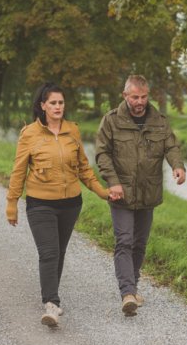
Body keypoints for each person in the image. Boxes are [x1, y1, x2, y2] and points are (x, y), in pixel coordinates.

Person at [6, 82, 111, 327]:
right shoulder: (30, 133)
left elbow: (84, 168)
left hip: (71, 204)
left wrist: (100, 191)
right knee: (49, 252)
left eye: (61, 103)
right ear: (42, 106)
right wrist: (11, 202)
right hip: (40, 203)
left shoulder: (72, 130)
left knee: (59, 252)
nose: (57, 107)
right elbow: (18, 170)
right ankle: (51, 304)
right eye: (52, 103)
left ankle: (52, 296)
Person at [95, 75, 185, 316]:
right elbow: (102, 154)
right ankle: (127, 293)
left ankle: (132, 287)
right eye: (135, 96)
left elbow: (171, 146)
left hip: (148, 191)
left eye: (144, 96)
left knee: (139, 244)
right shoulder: (111, 121)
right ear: (125, 96)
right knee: (124, 240)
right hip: (121, 192)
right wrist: (112, 182)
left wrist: (178, 166)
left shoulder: (159, 121)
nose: (140, 101)